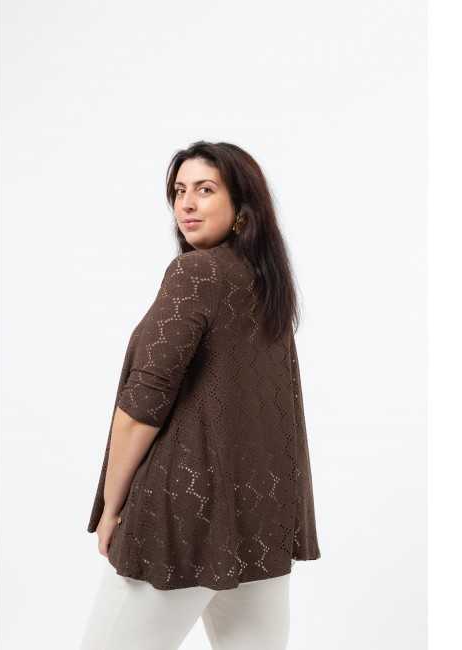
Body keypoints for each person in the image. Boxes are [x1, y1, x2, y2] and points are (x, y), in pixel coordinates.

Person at [80, 141, 321, 649]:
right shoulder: (266, 283)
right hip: (261, 516)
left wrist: (111, 507)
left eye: (205, 190)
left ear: (242, 206)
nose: (186, 204)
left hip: (181, 517)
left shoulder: (195, 274)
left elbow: (142, 406)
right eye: (179, 191)